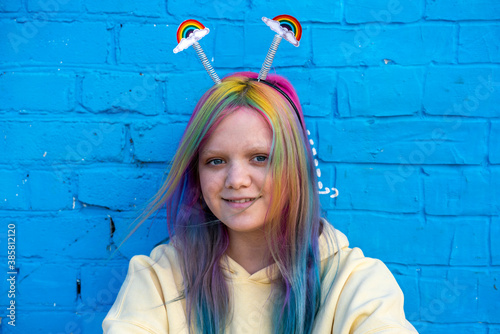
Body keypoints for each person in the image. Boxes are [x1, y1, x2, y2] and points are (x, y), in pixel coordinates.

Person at [102, 72, 418, 333]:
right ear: (197, 174)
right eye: (215, 161)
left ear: (295, 165)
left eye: (260, 158)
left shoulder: (356, 282)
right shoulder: (158, 279)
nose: (236, 179)